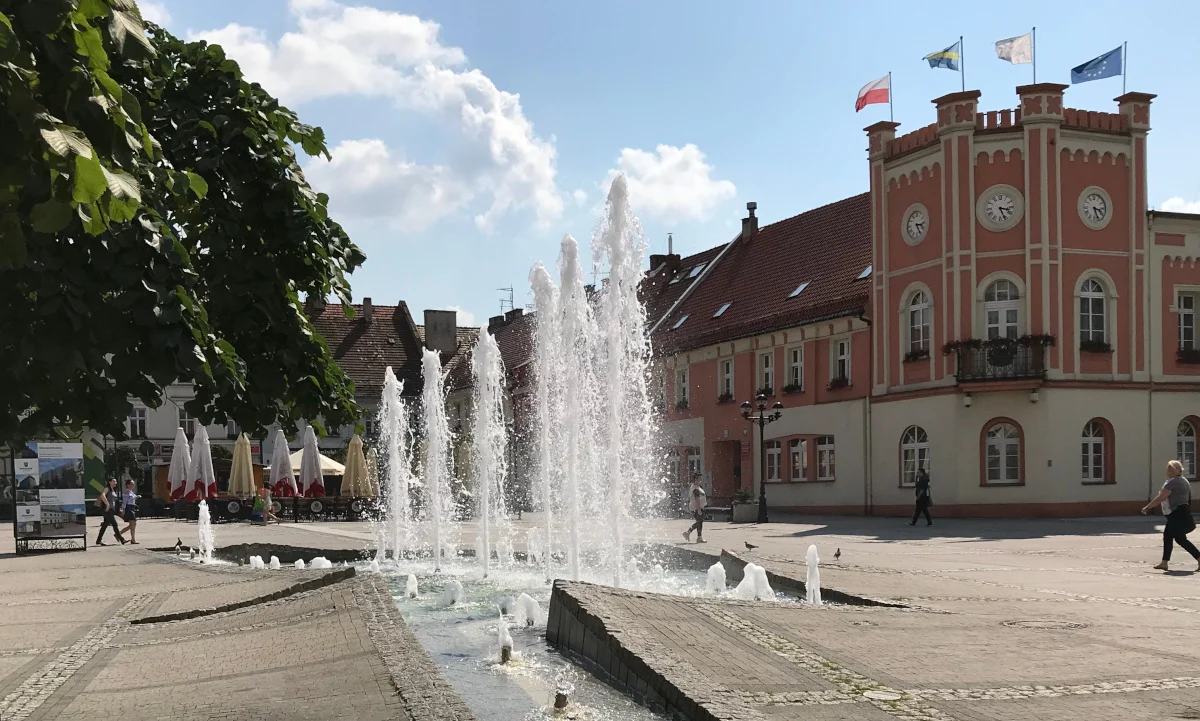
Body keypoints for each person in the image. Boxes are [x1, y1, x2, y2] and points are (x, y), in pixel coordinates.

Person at [1142, 460, 1199, 572]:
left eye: (1168, 469)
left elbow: (1161, 497)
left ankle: (1199, 557)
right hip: (1181, 512)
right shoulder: (1184, 481)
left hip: (1176, 513)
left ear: (1173, 470)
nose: (1166, 471)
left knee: (1180, 539)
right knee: (1168, 536)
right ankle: (1164, 562)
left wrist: (1148, 507)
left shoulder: (1173, 482)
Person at [95, 477, 126, 546]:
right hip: (107, 509)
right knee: (114, 524)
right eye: (113, 481)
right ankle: (121, 539)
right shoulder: (107, 489)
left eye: (116, 481)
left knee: (105, 525)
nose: (115, 483)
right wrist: (107, 504)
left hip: (111, 509)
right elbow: (102, 495)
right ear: (109, 482)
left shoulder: (113, 490)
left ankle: (98, 540)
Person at [681, 474, 707, 544]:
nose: (701, 480)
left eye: (701, 479)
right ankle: (688, 533)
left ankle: (699, 537)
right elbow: (697, 499)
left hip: (697, 507)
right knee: (699, 522)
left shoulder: (696, 487)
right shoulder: (695, 488)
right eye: (699, 479)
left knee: (699, 522)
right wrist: (698, 509)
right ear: (695, 479)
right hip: (697, 508)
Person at [118, 479, 140, 544]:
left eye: (133, 484)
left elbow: (133, 497)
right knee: (133, 524)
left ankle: (133, 539)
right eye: (131, 484)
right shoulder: (127, 492)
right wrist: (123, 510)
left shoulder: (131, 491)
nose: (133, 485)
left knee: (133, 524)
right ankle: (118, 534)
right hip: (128, 508)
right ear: (128, 485)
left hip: (132, 507)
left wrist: (137, 497)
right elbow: (124, 502)